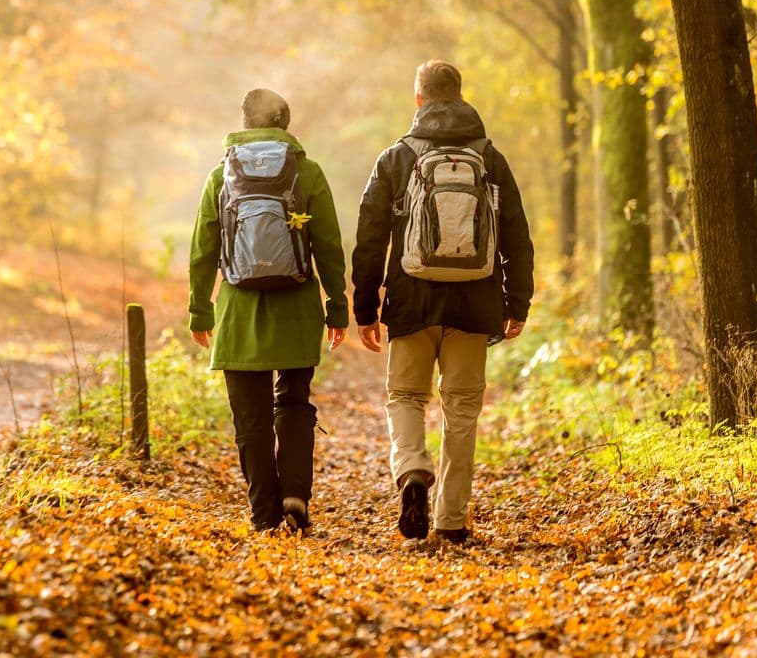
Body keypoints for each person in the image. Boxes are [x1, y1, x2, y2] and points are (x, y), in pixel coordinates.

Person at [352, 60, 534, 544]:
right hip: (475, 304)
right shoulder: (489, 157)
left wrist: (365, 309)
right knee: (462, 410)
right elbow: (516, 233)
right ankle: (450, 520)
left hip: (411, 302)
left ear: (419, 100)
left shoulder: (396, 158)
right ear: (459, 94)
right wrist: (517, 302)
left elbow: (369, 235)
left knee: (407, 396)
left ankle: (412, 468)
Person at [189, 88, 349, 534]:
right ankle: (295, 494)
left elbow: (203, 249)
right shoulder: (308, 172)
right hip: (297, 309)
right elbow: (330, 246)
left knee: (251, 419)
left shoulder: (221, 176)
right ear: (284, 124)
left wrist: (200, 310)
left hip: (239, 310)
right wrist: (337, 307)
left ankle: (265, 514)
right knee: (294, 404)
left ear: (244, 122)